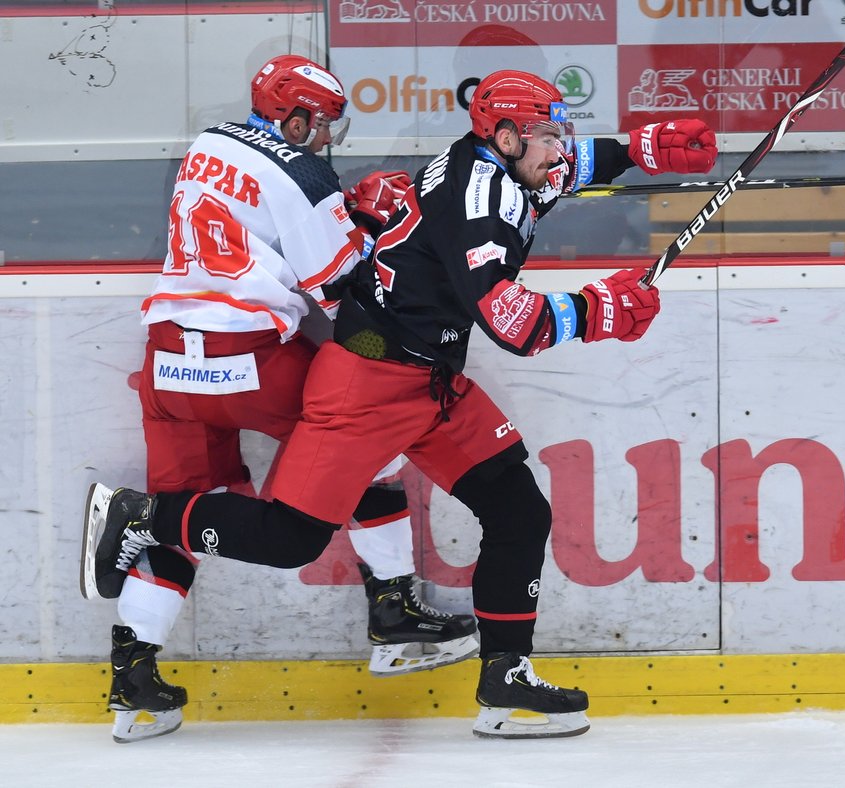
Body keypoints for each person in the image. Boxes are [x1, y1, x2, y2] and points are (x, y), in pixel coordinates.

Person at [83, 69, 718, 739]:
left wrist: (641, 148)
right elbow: (513, 322)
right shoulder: (475, 207)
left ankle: (503, 678)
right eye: (548, 137)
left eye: (560, 136)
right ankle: (150, 516)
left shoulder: (500, 160)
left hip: (414, 378)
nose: (560, 150)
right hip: (367, 383)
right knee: (292, 537)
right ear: (504, 137)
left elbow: (557, 169)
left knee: (518, 508)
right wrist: (599, 310)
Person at [78, 54, 477, 744]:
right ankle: (395, 612)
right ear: (293, 117)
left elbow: (253, 223)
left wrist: (340, 209)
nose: (325, 139)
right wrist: (365, 218)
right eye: (320, 126)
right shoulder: (303, 171)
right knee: (366, 434)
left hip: (169, 363)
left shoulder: (209, 142)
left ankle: (133, 677)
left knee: (186, 518)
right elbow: (340, 280)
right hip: (247, 360)